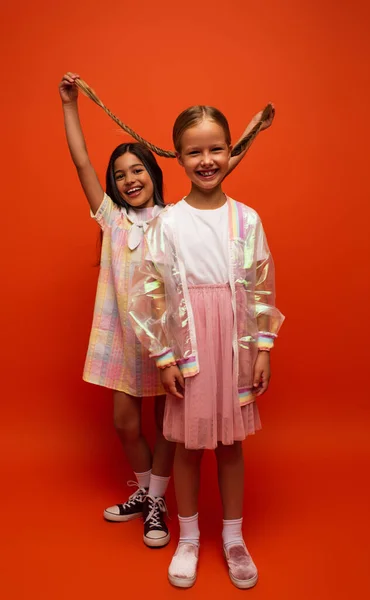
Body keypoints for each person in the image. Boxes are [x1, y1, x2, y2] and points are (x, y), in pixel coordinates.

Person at [59, 72, 276, 550]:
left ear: (157, 173)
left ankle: (158, 500)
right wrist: (71, 107)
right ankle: (145, 490)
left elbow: (215, 165)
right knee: (126, 422)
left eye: (137, 170)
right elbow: (81, 164)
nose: (129, 179)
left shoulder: (172, 216)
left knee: (172, 428)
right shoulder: (112, 218)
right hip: (124, 334)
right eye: (120, 175)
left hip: (175, 334)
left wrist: (252, 130)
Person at [128, 104, 284, 586]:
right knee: (188, 446)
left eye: (217, 148)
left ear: (231, 151)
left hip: (234, 344)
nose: (207, 159)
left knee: (232, 445)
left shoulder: (246, 219)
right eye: (194, 151)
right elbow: (151, 289)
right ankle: (190, 538)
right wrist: (164, 354)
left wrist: (262, 347)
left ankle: (233, 538)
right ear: (178, 156)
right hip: (191, 342)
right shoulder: (168, 223)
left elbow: (261, 285)